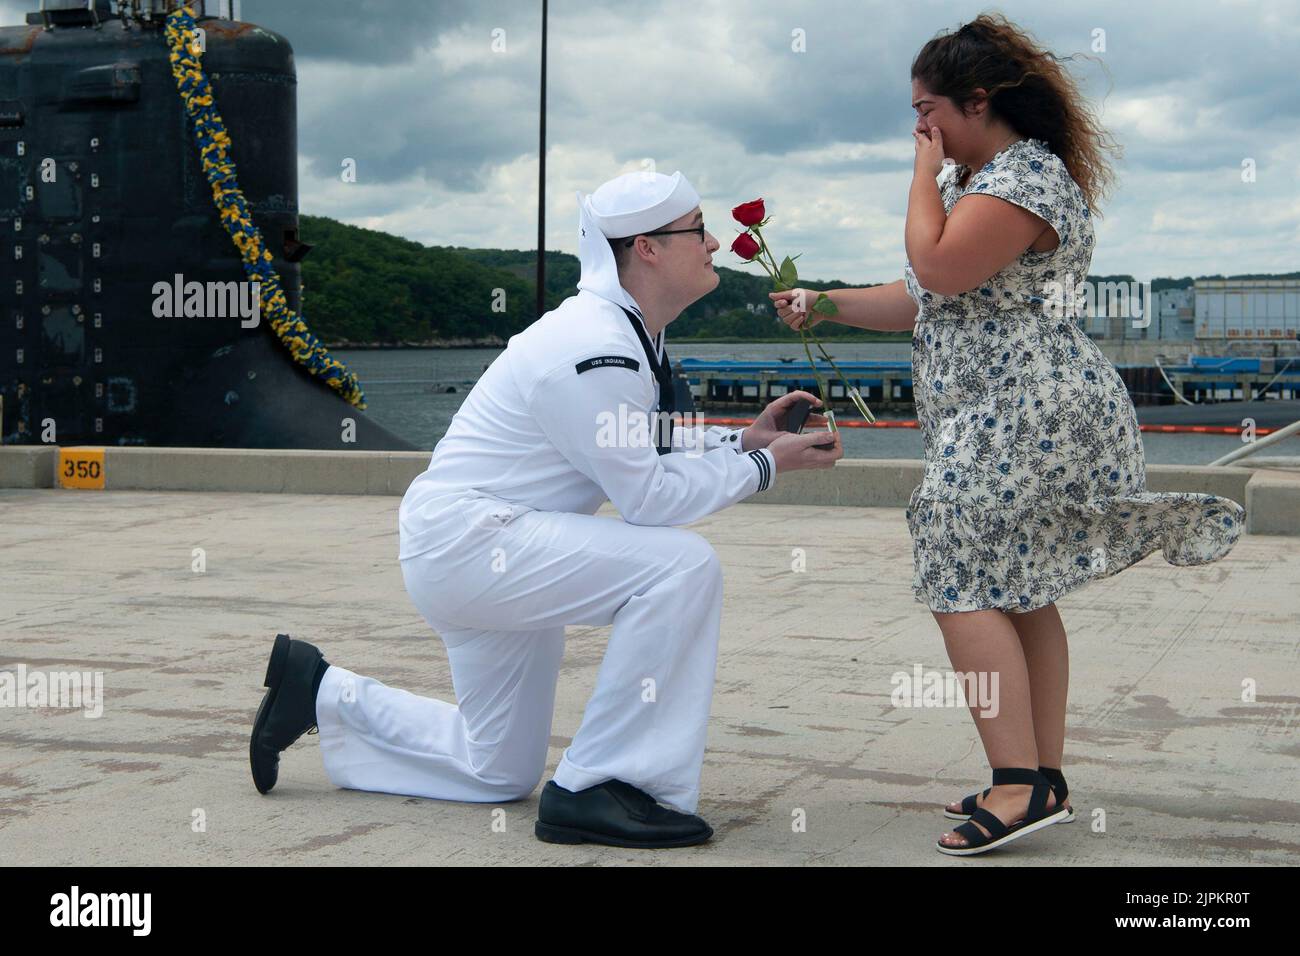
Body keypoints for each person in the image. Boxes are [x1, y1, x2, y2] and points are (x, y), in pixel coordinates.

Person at [249, 169, 842, 849]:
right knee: (682, 568)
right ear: (646, 247)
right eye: (696, 229)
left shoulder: (618, 331)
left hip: (482, 546)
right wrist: (764, 467)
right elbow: (647, 499)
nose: (712, 241)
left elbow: (633, 439)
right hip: (477, 545)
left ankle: (319, 690)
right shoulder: (597, 347)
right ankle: (603, 785)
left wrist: (742, 441)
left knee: (495, 768)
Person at [770, 13, 1245, 856]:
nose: (920, 128)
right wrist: (826, 302)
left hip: (1029, 407)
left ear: (977, 100)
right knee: (1016, 583)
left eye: (928, 111)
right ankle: (1042, 776)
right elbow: (928, 295)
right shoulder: (984, 184)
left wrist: (920, 174)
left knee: (956, 561)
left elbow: (940, 267)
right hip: (1005, 410)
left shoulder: (1024, 179)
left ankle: (1018, 780)